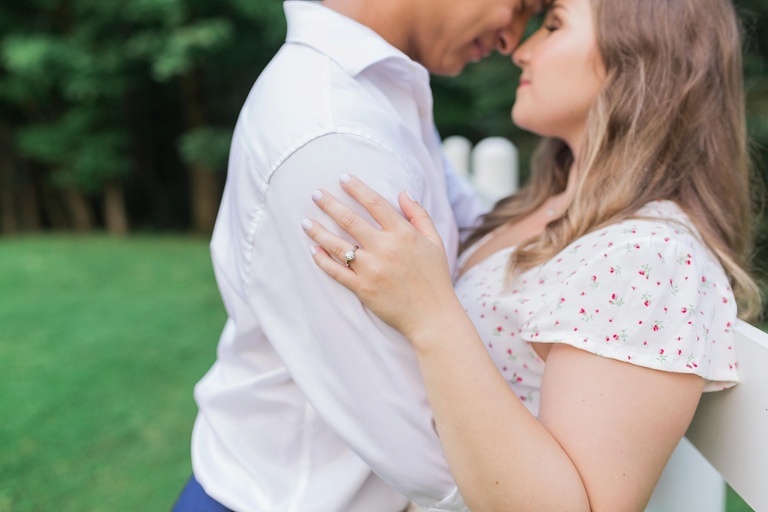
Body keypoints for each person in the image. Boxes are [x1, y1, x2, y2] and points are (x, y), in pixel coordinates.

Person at [304, 0, 763, 510]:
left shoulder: (650, 258)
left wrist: (430, 313)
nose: (521, 51)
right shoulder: (549, 207)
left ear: (640, 56)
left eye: (553, 25)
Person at [174, 0, 545, 511]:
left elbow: (472, 230)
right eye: (520, 5)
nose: (513, 38)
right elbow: (413, 438)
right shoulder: (334, 133)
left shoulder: (382, 92)